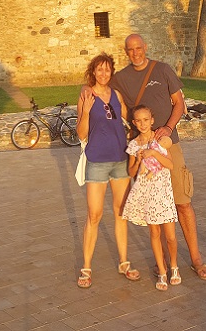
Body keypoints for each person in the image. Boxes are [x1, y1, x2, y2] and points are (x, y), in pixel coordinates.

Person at [111, 33, 206, 281]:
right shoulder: (121, 79)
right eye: (130, 49)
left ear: (145, 47)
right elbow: (114, 105)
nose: (135, 53)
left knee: (182, 202)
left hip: (169, 145)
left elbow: (180, 103)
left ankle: (196, 258)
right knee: (154, 208)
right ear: (126, 52)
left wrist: (167, 127)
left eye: (138, 48)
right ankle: (164, 262)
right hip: (144, 151)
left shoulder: (163, 70)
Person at [75, 52, 141, 289]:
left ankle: (124, 262)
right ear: (93, 71)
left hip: (119, 160)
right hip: (97, 161)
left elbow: (130, 122)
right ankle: (86, 267)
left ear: (111, 72)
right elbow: (81, 133)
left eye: (107, 69)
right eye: (99, 69)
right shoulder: (86, 95)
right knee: (94, 214)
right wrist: (85, 111)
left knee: (121, 212)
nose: (103, 73)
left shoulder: (117, 95)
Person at [123, 104, 180, 291]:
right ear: (134, 122)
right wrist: (139, 159)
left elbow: (170, 165)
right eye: (138, 121)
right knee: (155, 234)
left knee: (170, 236)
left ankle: (174, 266)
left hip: (162, 192)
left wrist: (153, 152)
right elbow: (131, 172)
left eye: (146, 120)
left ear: (152, 120)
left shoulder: (161, 140)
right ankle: (162, 272)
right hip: (147, 193)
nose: (142, 124)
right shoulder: (133, 144)